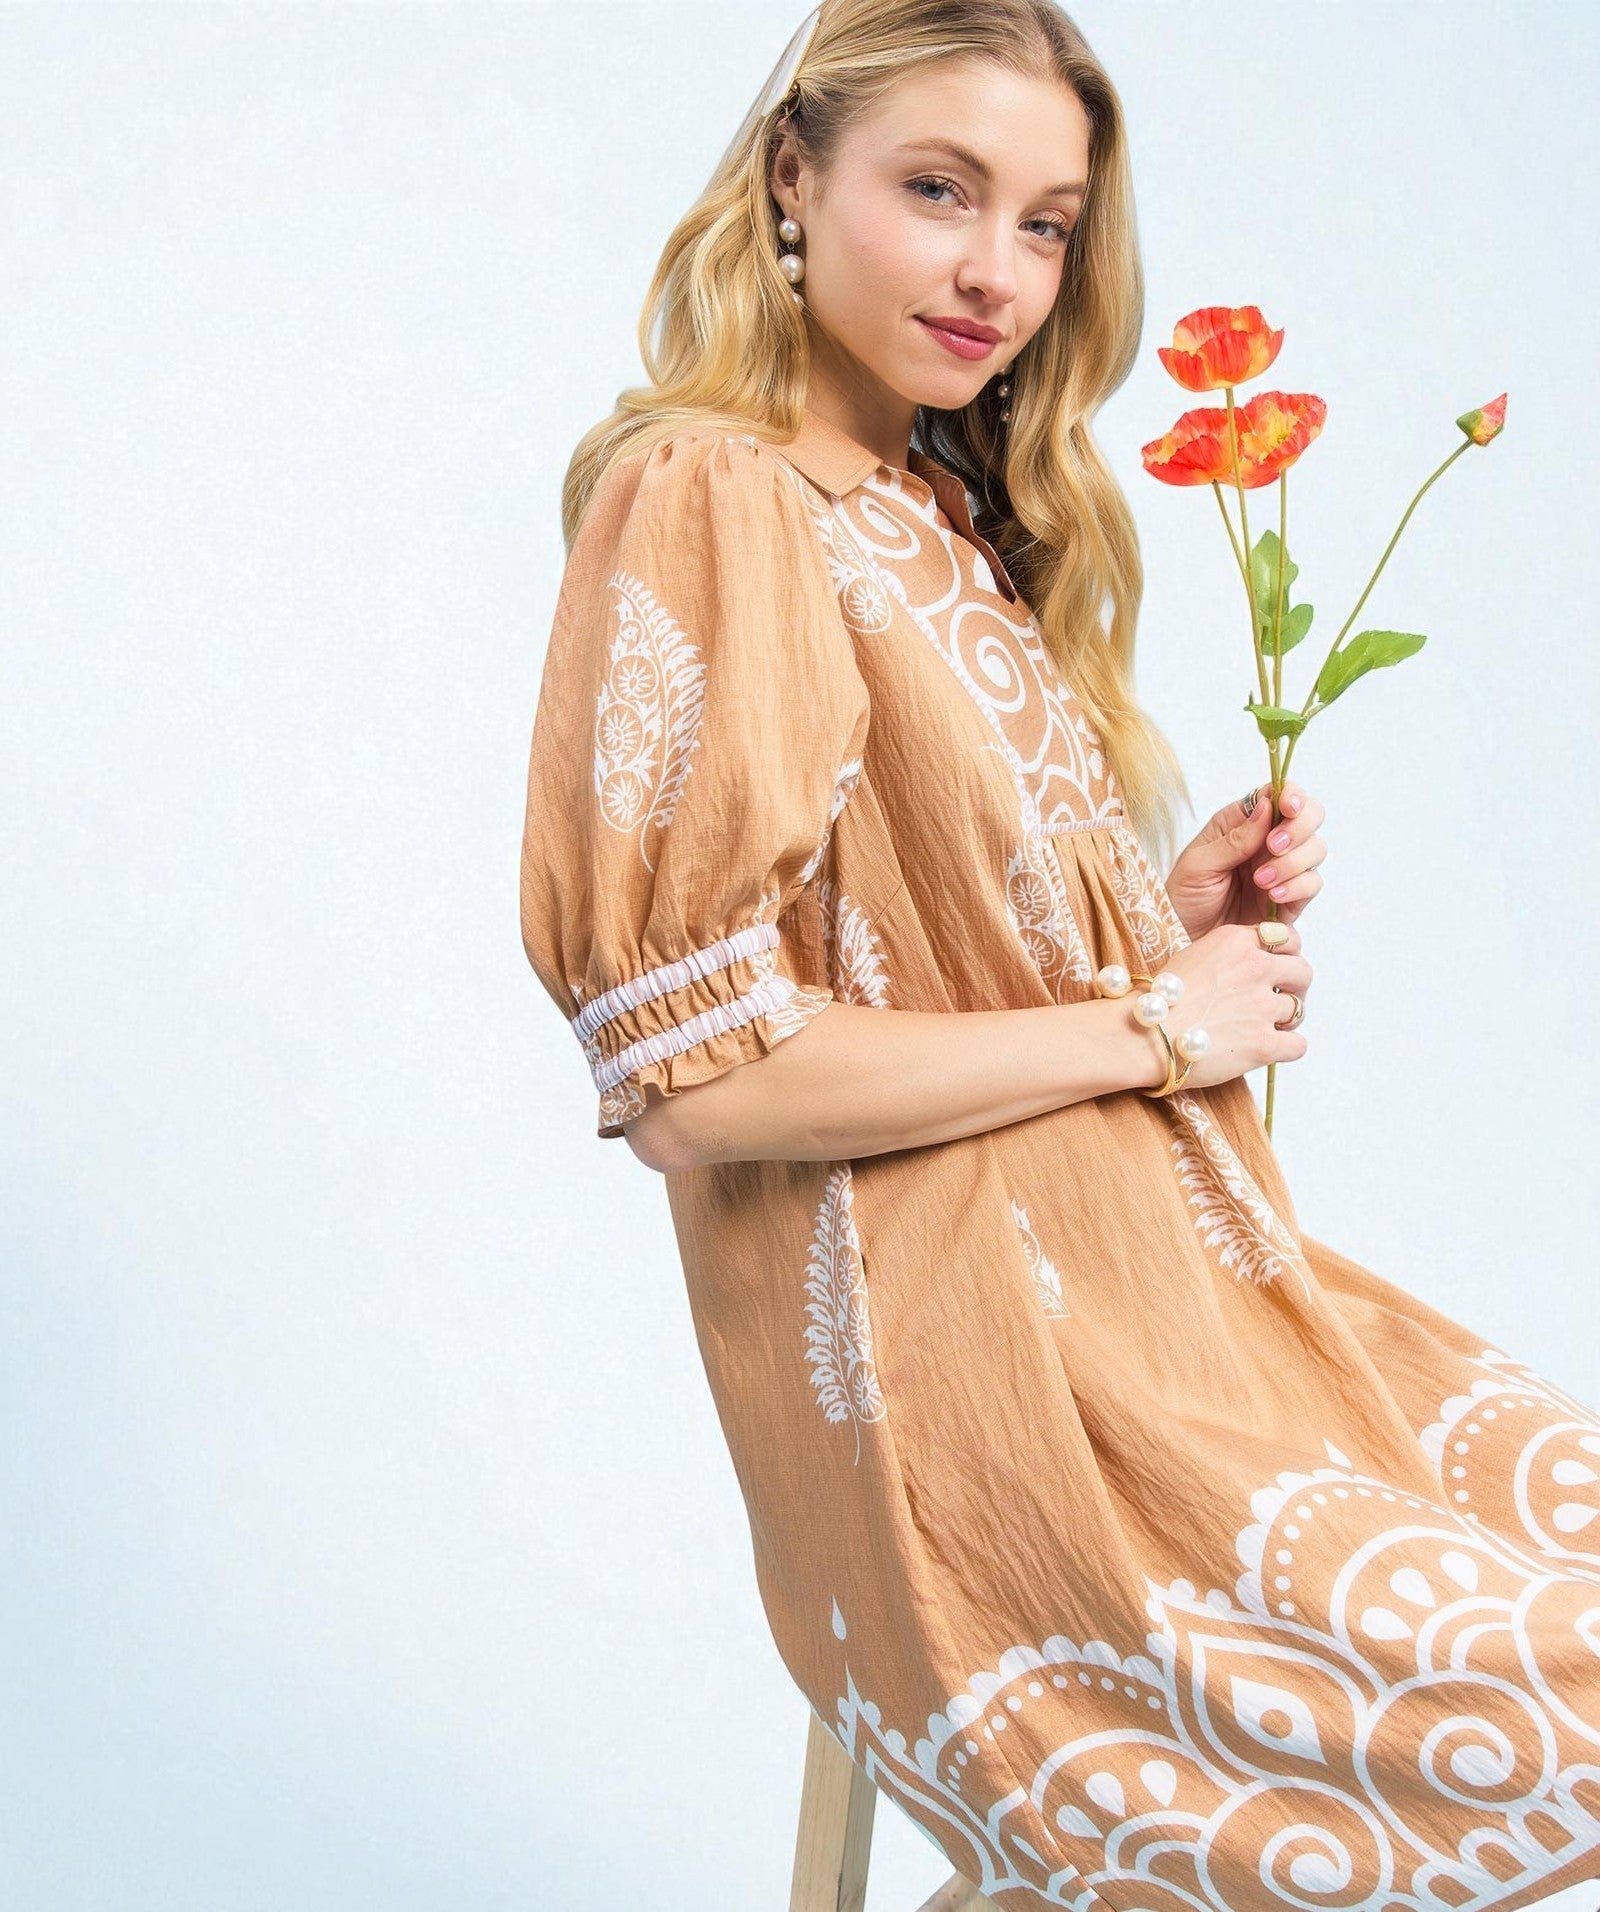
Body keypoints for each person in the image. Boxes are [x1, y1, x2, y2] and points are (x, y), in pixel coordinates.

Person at [518, 4, 1600, 1906]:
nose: (996, 272)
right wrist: (1149, 1027)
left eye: (1046, 222)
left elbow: (917, 960)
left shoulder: (931, 519)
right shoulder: (713, 496)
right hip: (998, 1391)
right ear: (794, 176)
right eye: (939, 190)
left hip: (1175, 1311)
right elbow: (698, 1086)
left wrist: (1153, 920)